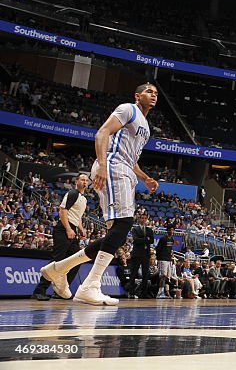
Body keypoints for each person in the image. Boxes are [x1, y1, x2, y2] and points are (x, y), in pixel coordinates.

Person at [41, 84, 160, 306]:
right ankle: (90, 285)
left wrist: (145, 178)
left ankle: (58, 269)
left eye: (156, 93)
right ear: (137, 96)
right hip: (113, 167)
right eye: (149, 92)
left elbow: (131, 158)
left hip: (124, 169)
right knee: (124, 224)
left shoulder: (146, 127)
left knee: (116, 234)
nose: (154, 95)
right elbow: (102, 133)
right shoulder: (128, 109)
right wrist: (103, 165)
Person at [33, 172, 90, 301]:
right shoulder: (72, 193)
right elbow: (63, 211)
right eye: (82, 180)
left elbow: (77, 216)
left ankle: (61, 290)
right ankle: (39, 290)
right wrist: (68, 228)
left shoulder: (84, 199)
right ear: (76, 181)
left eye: (87, 180)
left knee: (76, 261)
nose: (85, 182)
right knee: (57, 261)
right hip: (63, 229)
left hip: (72, 230)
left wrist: (81, 229)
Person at [127, 211, 155, 298]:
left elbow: (152, 240)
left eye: (144, 218)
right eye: (141, 218)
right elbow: (135, 239)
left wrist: (143, 239)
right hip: (137, 254)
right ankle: (131, 292)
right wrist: (146, 239)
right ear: (139, 219)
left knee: (145, 274)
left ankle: (144, 293)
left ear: (147, 219)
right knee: (133, 273)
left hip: (146, 254)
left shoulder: (149, 230)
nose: (143, 219)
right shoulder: (135, 229)